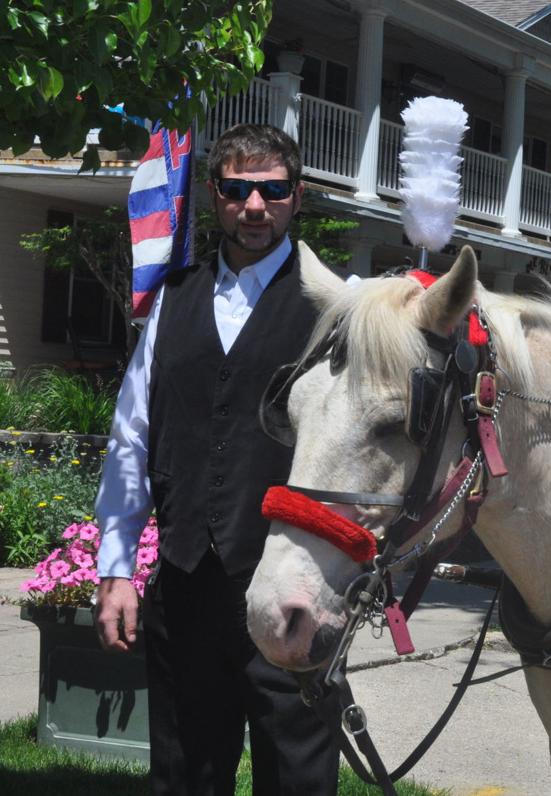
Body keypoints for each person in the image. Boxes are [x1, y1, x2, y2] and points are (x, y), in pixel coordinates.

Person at [94, 124, 341, 795]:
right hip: (186, 578)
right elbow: (131, 437)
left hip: (292, 588)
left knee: (296, 772)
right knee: (184, 770)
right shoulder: (174, 297)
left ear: (298, 196)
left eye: (271, 190)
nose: (254, 206)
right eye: (237, 190)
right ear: (215, 195)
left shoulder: (334, 308)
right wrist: (116, 568)